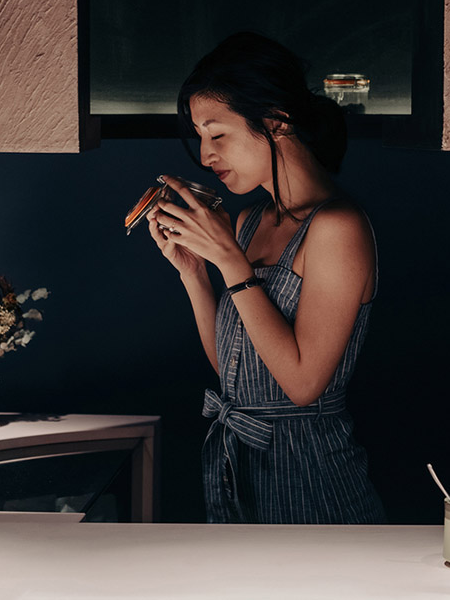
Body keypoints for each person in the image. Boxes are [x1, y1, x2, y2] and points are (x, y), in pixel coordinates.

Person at [146, 31, 385, 524]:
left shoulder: (338, 227)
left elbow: (302, 384)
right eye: (199, 137)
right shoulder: (249, 221)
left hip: (314, 476)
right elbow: (237, 374)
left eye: (218, 134)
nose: (206, 155)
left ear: (275, 122)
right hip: (240, 468)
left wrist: (231, 264)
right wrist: (196, 274)